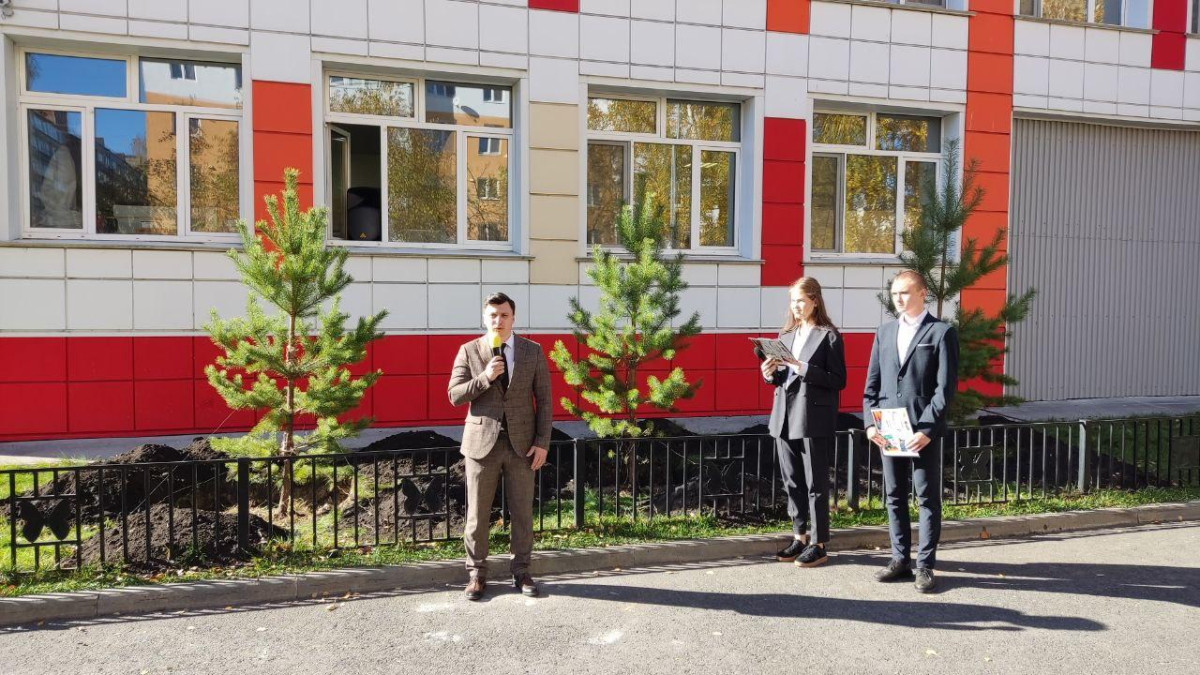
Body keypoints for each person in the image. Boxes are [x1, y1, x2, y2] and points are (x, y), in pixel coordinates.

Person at [448, 292, 553, 601]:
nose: (499, 320)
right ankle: (477, 574)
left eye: (504, 315)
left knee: (522, 513)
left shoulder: (532, 351)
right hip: (481, 445)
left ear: (513, 318)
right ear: (485, 318)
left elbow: (544, 400)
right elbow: (454, 395)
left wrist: (542, 443)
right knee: (478, 515)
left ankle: (521, 572)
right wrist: (484, 377)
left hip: (522, 446)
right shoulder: (469, 351)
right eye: (493, 315)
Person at [862, 270, 958, 593]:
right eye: (894, 294)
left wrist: (928, 428)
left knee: (927, 498)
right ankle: (900, 559)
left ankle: (925, 565)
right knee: (894, 495)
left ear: (922, 293)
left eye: (904, 292)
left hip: (921, 431)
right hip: (889, 429)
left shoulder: (941, 332)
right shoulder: (884, 332)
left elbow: (944, 390)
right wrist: (870, 424)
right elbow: (872, 385)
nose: (898, 299)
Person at [761, 277, 847, 568]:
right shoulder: (786, 335)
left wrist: (804, 367)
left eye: (801, 300)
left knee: (815, 483)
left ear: (815, 301)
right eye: (792, 301)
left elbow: (839, 380)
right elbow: (781, 378)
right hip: (784, 415)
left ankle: (819, 544)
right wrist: (769, 373)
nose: (795, 306)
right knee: (792, 481)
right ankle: (799, 537)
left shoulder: (828, 335)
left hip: (813, 417)